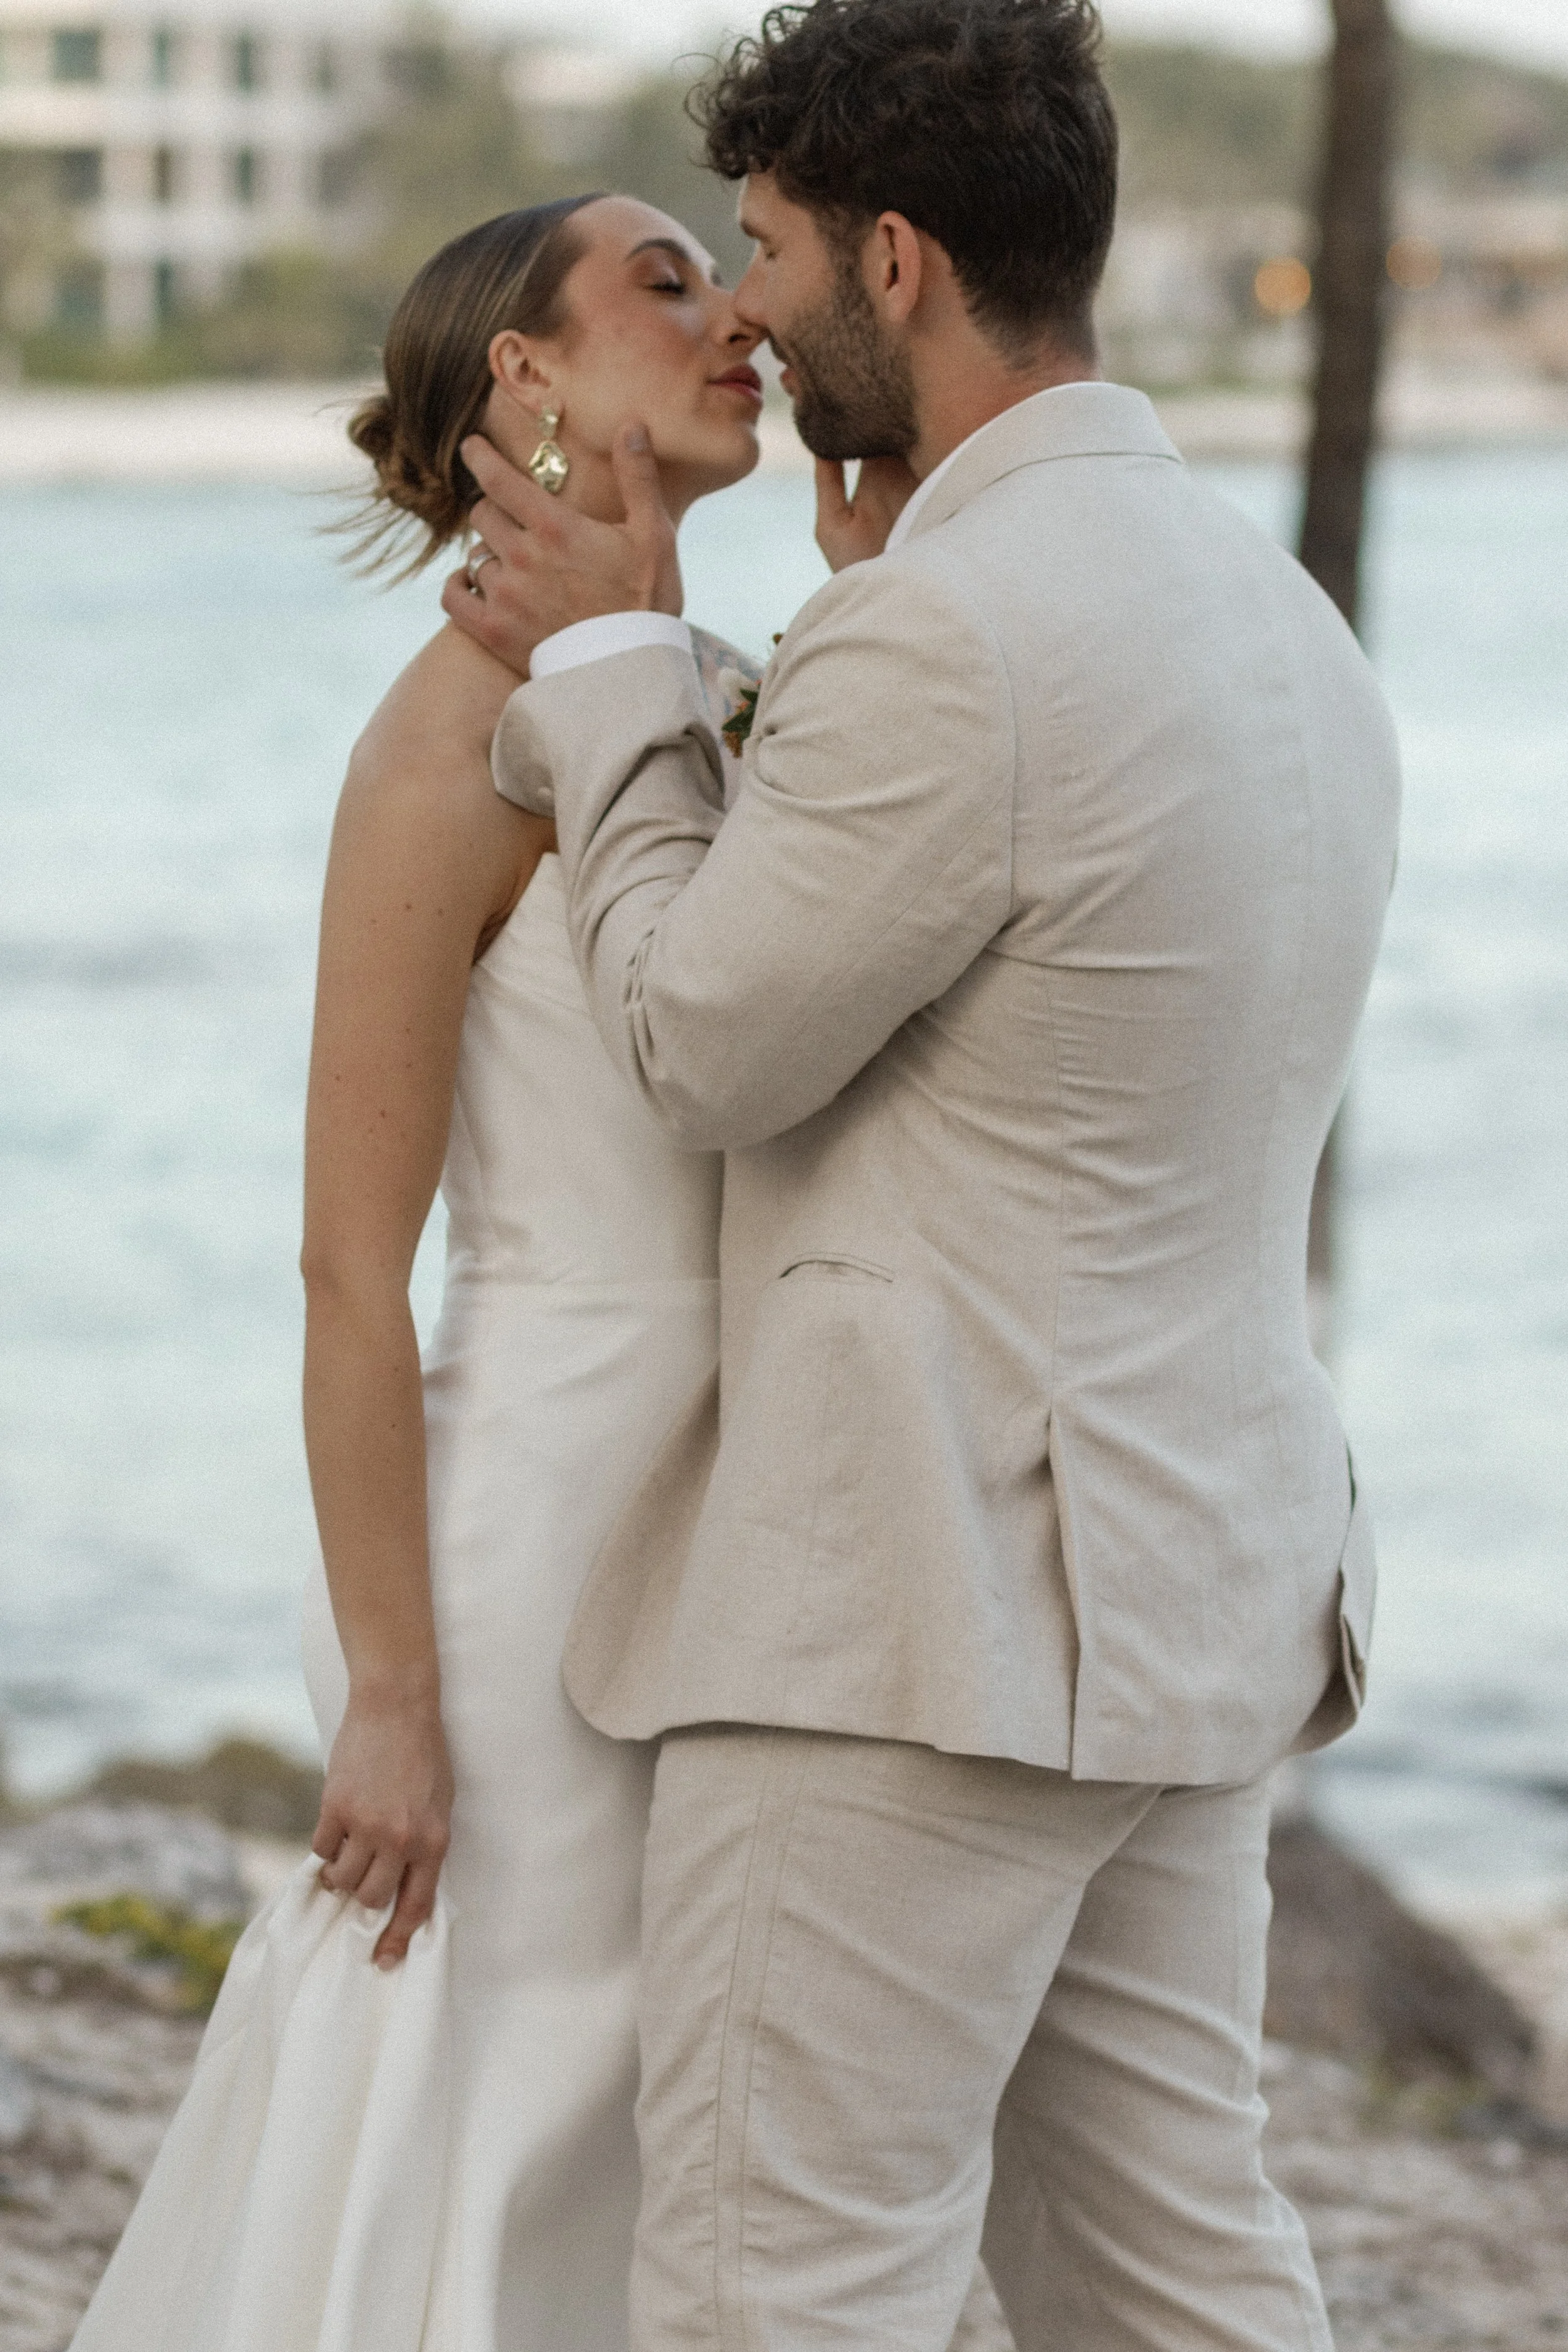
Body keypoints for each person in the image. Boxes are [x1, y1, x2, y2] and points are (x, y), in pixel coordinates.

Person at [445, 2, 1403, 2348]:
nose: (743, 307)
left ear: (894, 259)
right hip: (1192, 1589)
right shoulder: (1280, 625)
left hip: (917, 1615)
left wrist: (619, 676)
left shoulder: (952, 636)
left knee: (783, 2291)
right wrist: (836, 637)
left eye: (761, 248)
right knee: (1173, 2271)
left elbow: (694, 1037)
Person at [70, 192, 768, 2352]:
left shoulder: (732, 693)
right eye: (663, 281)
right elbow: (344, 1269)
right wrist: (389, 1685)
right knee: (492, 2107)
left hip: (737, 1508)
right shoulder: (439, 745)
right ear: (527, 383)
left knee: (657, 2119)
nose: (732, 307)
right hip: (529, 1548)